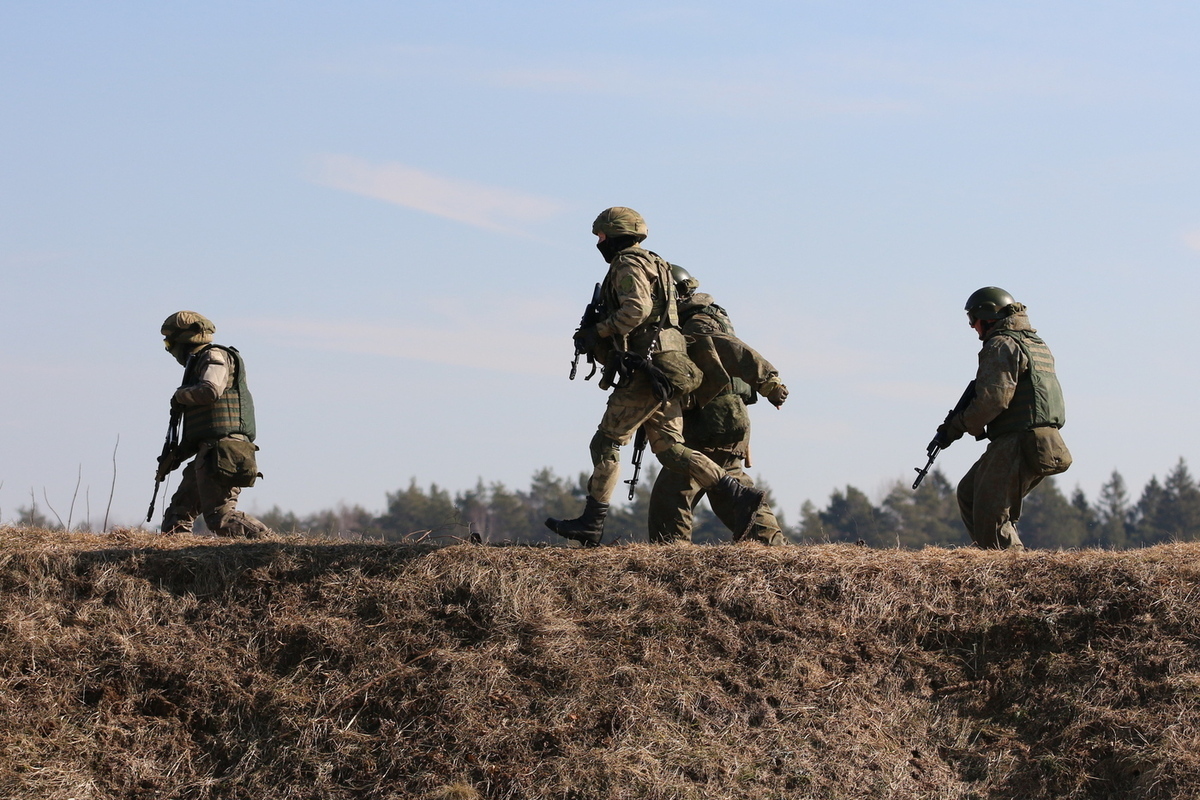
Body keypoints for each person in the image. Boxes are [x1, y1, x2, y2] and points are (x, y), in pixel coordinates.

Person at [546, 207, 767, 546]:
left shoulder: (627, 263)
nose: (599, 243)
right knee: (671, 450)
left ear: (616, 234)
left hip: (648, 369)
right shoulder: (658, 264)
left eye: (602, 236)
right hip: (671, 367)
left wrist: (600, 331)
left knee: (606, 442)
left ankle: (591, 523)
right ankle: (736, 493)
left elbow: (637, 309)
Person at [647, 265, 788, 545]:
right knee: (729, 486)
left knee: (674, 491)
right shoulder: (700, 318)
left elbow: (732, 348)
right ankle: (773, 547)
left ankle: (670, 558)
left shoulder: (696, 323)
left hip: (712, 418)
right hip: (725, 416)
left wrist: (769, 383)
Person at [932, 287, 1071, 549]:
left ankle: (1009, 572)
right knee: (970, 494)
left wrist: (956, 426)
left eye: (973, 321)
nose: (973, 328)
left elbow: (993, 401)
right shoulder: (1033, 343)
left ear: (986, 318)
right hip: (1042, 440)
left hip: (1019, 440)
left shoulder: (1001, 344)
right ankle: (994, 557)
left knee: (991, 513)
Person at [156, 311, 270, 538]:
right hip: (208, 453)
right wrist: (174, 457)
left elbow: (210, 390)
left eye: (170, 343)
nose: (170, 350)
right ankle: (181, 566)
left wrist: (181, 396)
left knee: (222, 518)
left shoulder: (214, 356)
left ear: (183, 341)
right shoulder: (197, 364)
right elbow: (201, 429)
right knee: (176, 519)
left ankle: (271, 546)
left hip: (223, 453)